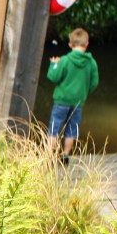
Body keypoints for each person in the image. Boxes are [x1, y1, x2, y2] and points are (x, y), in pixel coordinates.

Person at [46, 27, 99, 163]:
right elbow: (94, 82)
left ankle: (48, 156)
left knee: (54, 127)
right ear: (86, 44)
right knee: (72, 129)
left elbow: (53, 77)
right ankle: (65, 154)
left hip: (61, 101)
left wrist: (53, 65)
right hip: (78, 102)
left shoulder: (65, 60)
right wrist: (84, 93)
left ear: (70, 44)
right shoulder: (91, 63)